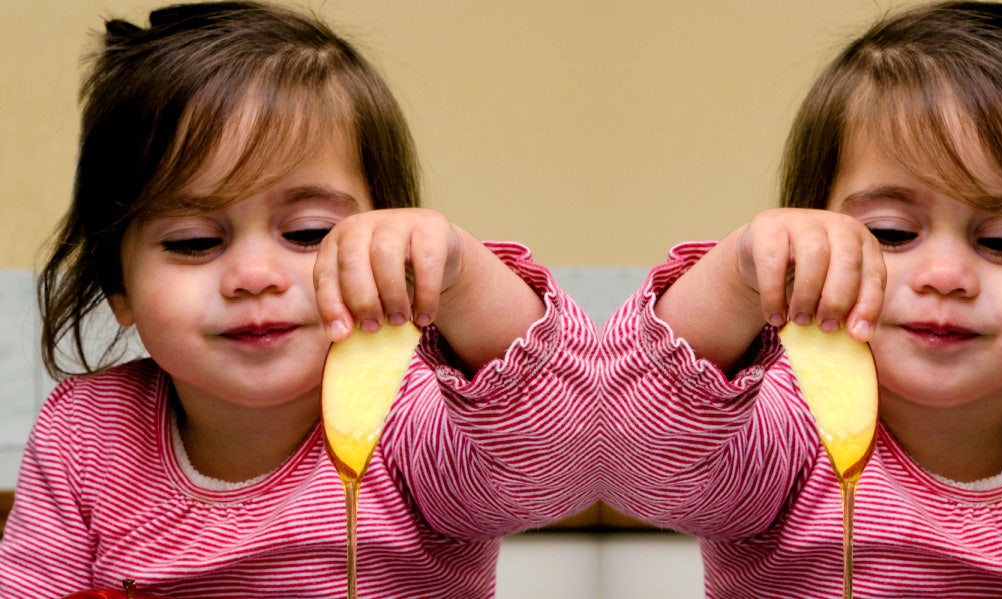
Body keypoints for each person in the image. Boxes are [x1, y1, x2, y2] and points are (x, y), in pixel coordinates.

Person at [601, 2, 1002, 597]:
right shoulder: (790, 416)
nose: (944, 276)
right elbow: (641, 453)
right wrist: (738, 273)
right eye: (890, 233)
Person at [0, 2, 598, 597]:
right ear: (118, 286)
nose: (254, 276)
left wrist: (461, 272)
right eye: (194, 241)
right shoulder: (84, 433)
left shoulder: (410, 416)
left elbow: (559, 453)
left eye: (309, 233)